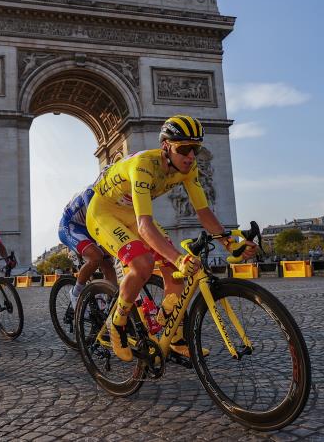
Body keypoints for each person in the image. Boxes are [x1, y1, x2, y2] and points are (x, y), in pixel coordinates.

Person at [86, 115, 257, 361]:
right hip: (104, 213)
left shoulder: (190, 168)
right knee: (143, 264)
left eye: (195, 149)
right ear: (166, 146)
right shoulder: (143, 165)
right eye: (184, 148)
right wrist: (178, 258)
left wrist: (231, 244)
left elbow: (204, 212)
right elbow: (145, 226)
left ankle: (173, 335)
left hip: (132, 214)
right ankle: (118, 323)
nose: (191, 156)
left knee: (176, 273)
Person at [58, 185, 117, 308]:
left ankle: (111, 303)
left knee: (108, 264)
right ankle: (76, 292)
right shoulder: (91, 192)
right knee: (96, 256)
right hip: (71, 226)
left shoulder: (116, 197)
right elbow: (95, 219)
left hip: (90, 228)